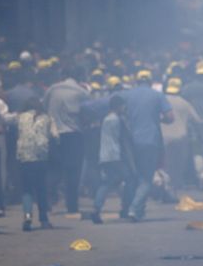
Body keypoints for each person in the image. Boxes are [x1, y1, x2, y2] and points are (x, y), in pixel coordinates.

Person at [119, 70, 174, 221]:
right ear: (150, 81)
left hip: (130, 142)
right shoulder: (157, 95)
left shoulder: (127, 95)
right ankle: (134, 209)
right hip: (150, 141)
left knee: (132, 177)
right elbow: (170, 117)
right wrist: (158, 119)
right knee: (146, 178)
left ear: (137, 81)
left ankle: (126, 208)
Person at [43, 66, 89, 213]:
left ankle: (46, 202)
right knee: (73, 171)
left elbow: (45, 107)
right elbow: (87, 113)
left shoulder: (52, 89)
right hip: (73, 135)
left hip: (53, 133)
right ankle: (72, 205)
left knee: (53, 169)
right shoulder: (82, 92)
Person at [91, 95, 134, 224]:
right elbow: (123, 139)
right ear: (118, 106)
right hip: (116, 155)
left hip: (104, 155)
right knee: (130, 179)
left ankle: (96, 208)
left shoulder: (105, 119)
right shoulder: (118, 120)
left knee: (107, 182)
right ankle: (125, 207)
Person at [13, 98, 54, 231]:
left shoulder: (20, 117)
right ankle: (44, 220)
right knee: (41, 188)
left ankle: (27, 216)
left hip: (24, 157)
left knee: (27, 189)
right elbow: (55, 135)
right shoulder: (47, 118)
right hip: (41, 157)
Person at [161, 77, 200, 196]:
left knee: (165, 165)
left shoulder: (161, 101)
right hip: (181, 137)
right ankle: (175, 188)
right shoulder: (184, 103)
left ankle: (165, 187)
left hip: (163, 137)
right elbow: (197, 120)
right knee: (178, 165)